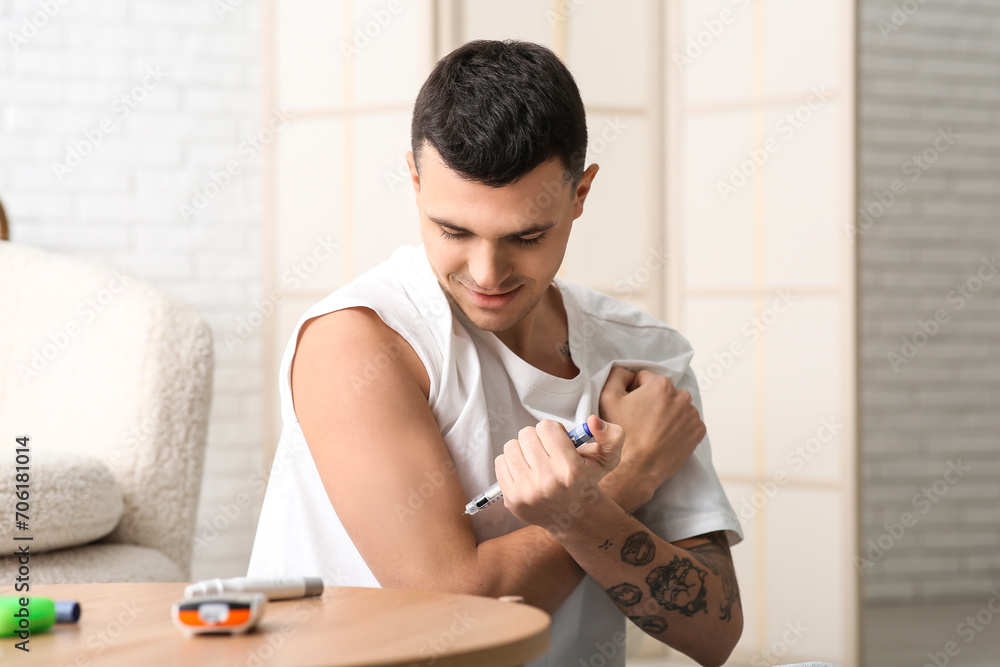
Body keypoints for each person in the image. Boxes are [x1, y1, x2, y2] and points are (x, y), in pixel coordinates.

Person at [247, 39, 744, 667]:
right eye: (454, 231)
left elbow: (715, 633)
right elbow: (451, 614)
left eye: (527, 236)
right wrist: (631, 475)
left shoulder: (644, 360)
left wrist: (592, 500)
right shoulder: (361, 341)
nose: (487, 273)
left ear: (580, 195)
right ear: (415, 180)